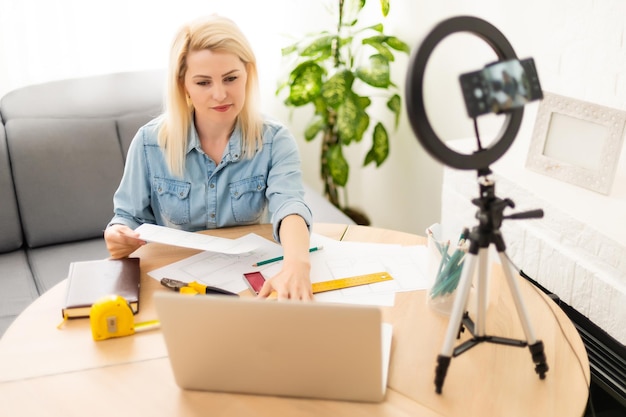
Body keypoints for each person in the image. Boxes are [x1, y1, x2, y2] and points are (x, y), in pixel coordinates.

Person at [104, 15, 314, 301]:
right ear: (183, 85)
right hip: (174, 288)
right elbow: (127, 218)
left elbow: (289, 205)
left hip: (248, 285)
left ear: (248, 73)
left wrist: (297, 264)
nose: (220, 94)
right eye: (203, 82)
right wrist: (118, 235)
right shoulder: (149, 143)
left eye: (231, 78)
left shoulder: (274, 140)